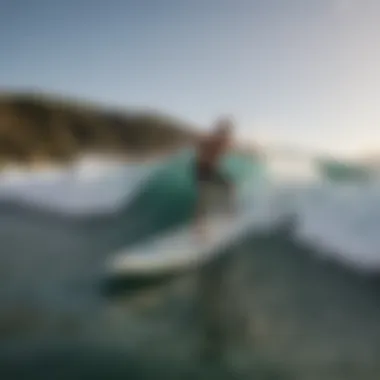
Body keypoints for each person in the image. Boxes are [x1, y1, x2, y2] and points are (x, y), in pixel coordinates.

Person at [193, 116, 236, 236]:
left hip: (210, 170)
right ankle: (199, 230)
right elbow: (201, 145)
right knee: (205, 197)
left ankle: (228, 215)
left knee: (229, 187)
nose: (228, 134)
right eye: (226, 131)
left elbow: (233, 147)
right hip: (203, 170)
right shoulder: (214, 139)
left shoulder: (222, 140)